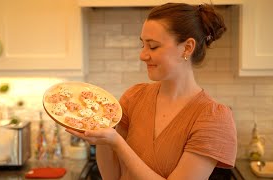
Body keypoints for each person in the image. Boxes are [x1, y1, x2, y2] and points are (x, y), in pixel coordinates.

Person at [66, 2, 237, 180]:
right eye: (143, 45)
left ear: (187, 48)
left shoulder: (213, 118)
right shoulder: (134, 97)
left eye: (153, 46)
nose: (143, 55)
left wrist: (117, 143)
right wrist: (101, 136)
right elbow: (112, 177)